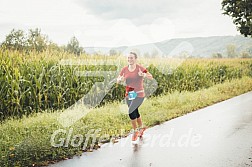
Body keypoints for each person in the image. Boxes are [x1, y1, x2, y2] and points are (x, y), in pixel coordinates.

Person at [117, 52, 153, 141]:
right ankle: (142, 127)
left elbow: (150, 76)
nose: (130, 59)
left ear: (135, 59)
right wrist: (120, 80)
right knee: (135, 112)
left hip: (139, 94)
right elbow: (118, 80)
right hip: (129, 95)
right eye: (128, 58)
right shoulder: (124, 69)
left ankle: (135, 131)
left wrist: (143, 75)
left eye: (131, 58)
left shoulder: (140, 68)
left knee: (131, 111)